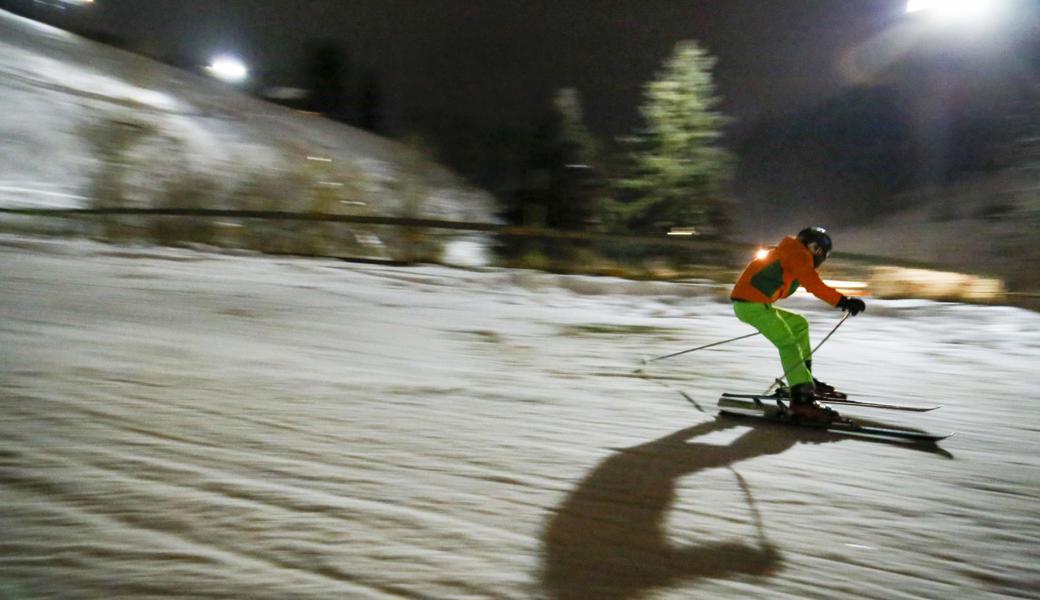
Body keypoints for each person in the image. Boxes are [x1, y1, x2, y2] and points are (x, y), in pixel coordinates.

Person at [730, 226, 866, 421]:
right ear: (816, 249)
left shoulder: (792, 252)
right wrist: (843, 301)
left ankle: (803, 380)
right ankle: (801, 400)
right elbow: (813, 284)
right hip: (752, 306)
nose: (822, 259)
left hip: (755, 304)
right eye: (823, 254)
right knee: (788, 343)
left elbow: (807, 281)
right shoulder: (798, 254)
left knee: (798, 324)